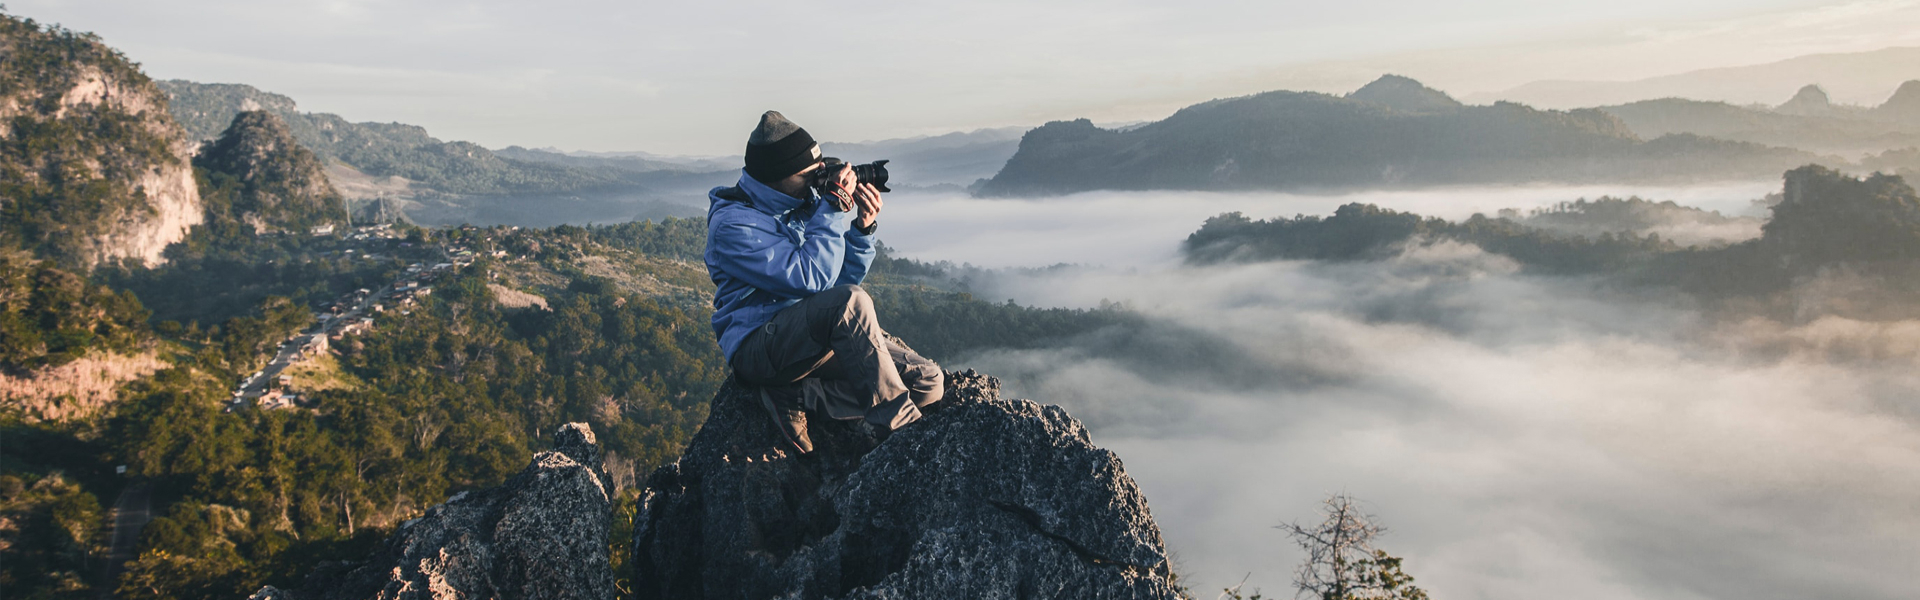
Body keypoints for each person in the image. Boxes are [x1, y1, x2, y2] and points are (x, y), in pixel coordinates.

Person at [704, 110, 944, 455]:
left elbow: (835, 285)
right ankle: (905, 438)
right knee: (852, 302)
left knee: (928, 382)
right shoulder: (733, 227)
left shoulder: (798, 204)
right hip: (759, 347)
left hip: (808, 338)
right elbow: (813, 280)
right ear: (777, 176)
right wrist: (830, 209)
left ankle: (799, 395)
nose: (817, 181)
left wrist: (861, 231)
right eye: (809, 175)